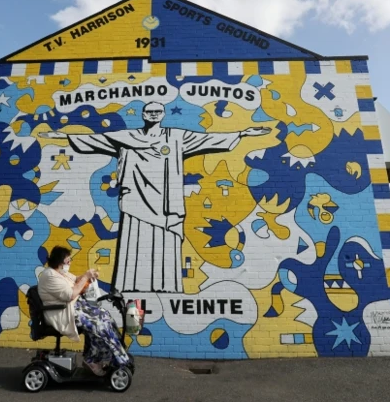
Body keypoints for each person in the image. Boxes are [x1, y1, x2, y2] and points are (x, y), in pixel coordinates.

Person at [39, 102, 271, 293]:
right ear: (143, 114)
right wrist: (60, 136)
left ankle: (165, 286)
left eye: (157, 111)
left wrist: (242, 133)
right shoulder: (127, 137)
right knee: (135, 243)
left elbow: (208, 140)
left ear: (162, 115)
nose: (153, 114)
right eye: (149, 111)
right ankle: (130, 286)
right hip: (136, 201)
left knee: (164, 244)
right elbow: (96, 140)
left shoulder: (175, 137)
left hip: (165, 204)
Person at [37, 246, 130, 376]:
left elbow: (76, 280)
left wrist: (89, 276)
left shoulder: (60, 272)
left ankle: (99, 357)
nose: (70, 263)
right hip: (62, 313)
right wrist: (86, 277)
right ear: (59, 262)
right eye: (68, 261)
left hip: (74, 308)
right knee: (99, 324)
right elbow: (71, 294)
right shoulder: (50, 276)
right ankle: (97, 359)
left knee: (105, 316)